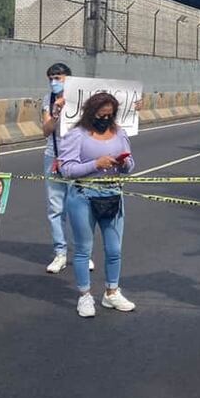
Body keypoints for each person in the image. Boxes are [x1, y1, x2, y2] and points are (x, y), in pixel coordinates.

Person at [58, 92, 137, 318]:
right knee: (84, 249)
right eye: (100, 115)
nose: (104, 119)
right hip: (83, 196)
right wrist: (95, 164)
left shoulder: (119, 133)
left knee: (114, 249)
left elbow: (131, 163)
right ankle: (84, 295)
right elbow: (67, 169)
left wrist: (125, 164)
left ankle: (112, 292)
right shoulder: (77, 135)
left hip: (112, 194)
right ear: (91, 113)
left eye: (109, 115)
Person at [42, 62, 88, 274]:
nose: (54, 81)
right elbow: (46, 129)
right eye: (51, 77)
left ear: (68, 78)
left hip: (78, 158)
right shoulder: (48, 99)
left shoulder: (83, 98)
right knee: (55, 208)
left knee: (80, 207)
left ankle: (83, 253)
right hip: (53, 156)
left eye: (58, 77)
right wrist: (56, 112)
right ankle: (60, 252)